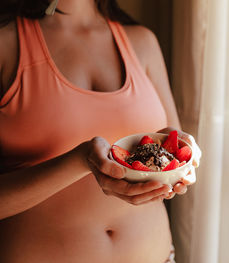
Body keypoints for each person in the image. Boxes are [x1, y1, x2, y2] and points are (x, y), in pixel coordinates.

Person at [0, 0, 200, 262]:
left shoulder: (143, 42)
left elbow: (177, 152)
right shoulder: (6, 44)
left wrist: (181, 160)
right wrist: (80, 161)